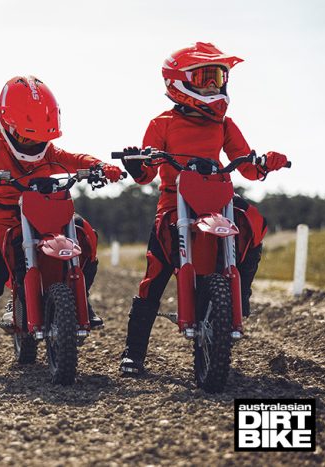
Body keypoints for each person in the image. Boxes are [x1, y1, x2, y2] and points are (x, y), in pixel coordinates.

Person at [117, 42, 290, 375]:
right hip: (174, 204)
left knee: (254, 220)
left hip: (218, 199)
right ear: (179, 82)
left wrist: (267, 162)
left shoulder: (224, 124)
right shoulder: (162, 123)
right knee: (154, 276)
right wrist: (135, 162)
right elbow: (145, 175)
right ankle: (133, 354)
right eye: (205, 77)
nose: (213, 85)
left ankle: (240, 294)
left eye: (218, 77)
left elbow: (249, 168)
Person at [0, 75, 123, 375]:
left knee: (86, 236)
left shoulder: (51, 153)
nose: (33, 144)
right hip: (8, 226)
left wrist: (100, 166)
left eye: (40, 138)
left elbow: (76, 157)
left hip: (50, 222)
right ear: (7, 126)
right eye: (27, 137)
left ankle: (78, 297)